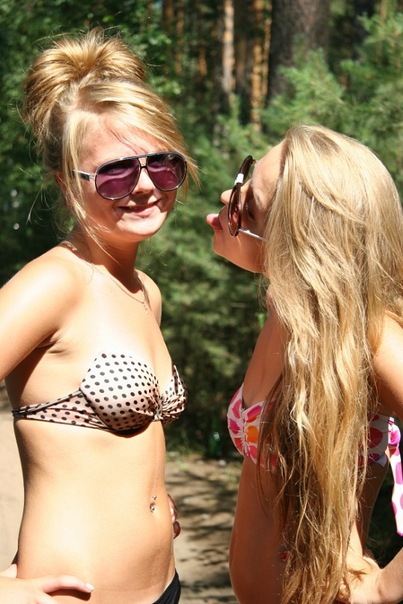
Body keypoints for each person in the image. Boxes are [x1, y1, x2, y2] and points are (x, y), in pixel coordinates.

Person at [0, 27, 196, 603]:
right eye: (116, 172)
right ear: (68, 185)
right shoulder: (55, 283)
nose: (145, 185)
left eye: (162, 164)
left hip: (165, 588)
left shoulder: (144, 292)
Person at [206, 124, 403, 604]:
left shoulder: (367, 334)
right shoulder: (289, 312)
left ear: (294, 242)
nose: (225, 200)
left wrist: (381, 589)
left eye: (247, 205)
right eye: (242, 177)